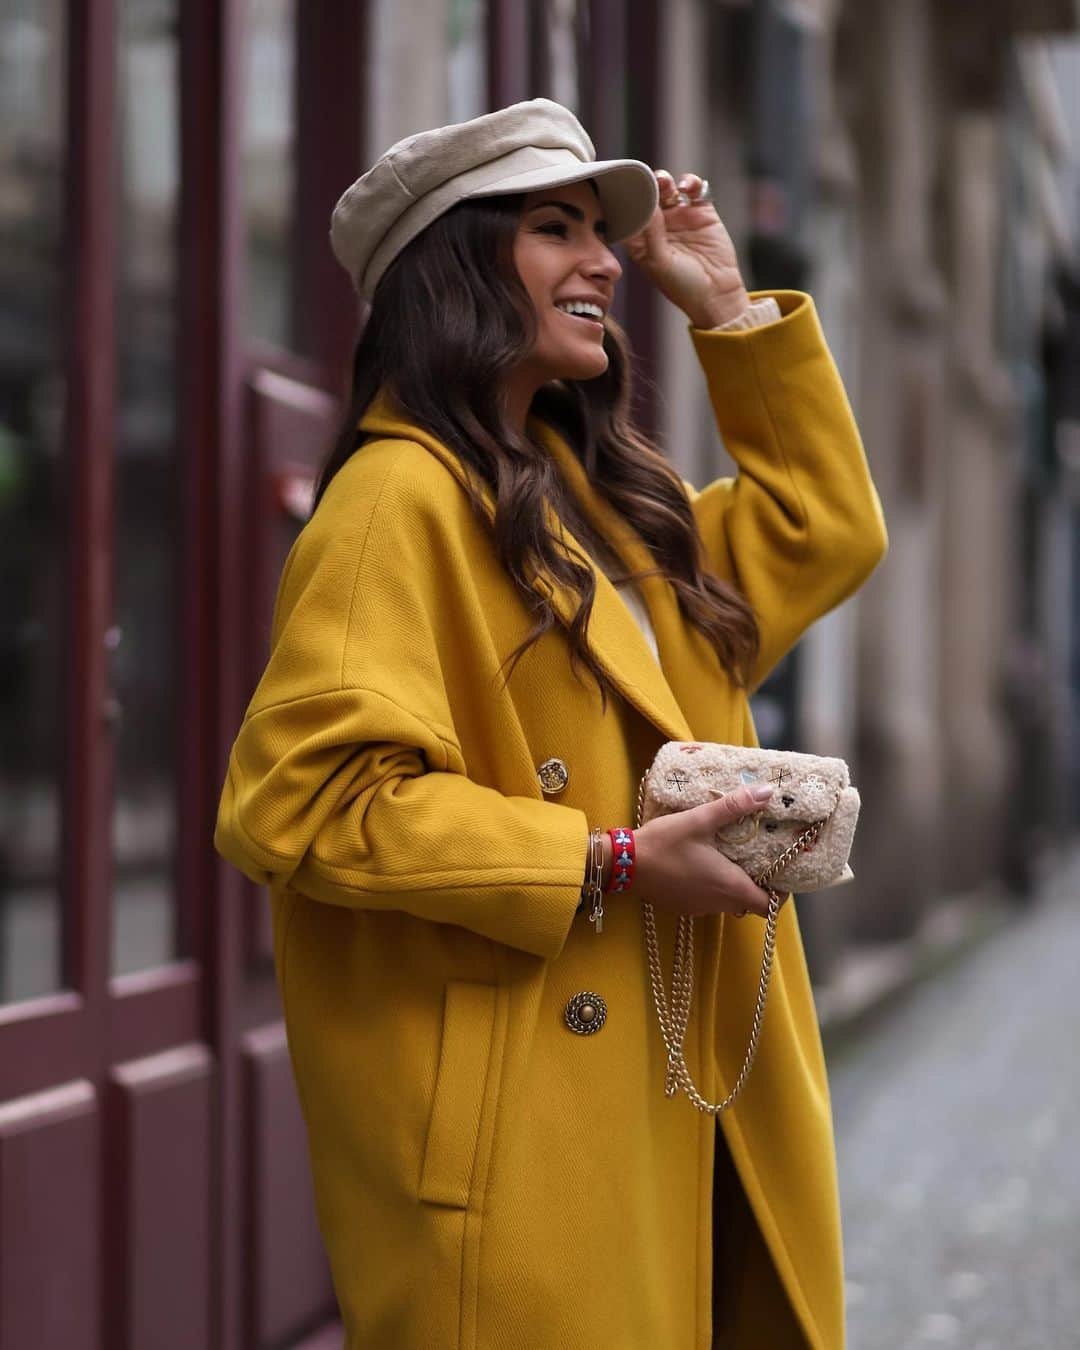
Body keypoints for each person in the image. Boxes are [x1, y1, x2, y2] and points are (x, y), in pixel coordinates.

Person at [214, 98, 887, 1349]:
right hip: (528, 1128)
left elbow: (824, 530)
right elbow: (304, 804)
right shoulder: (394, 500)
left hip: (677, 1097)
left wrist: (727, 313)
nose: (601, 264)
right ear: (457, 266)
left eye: (600, 232)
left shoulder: (597, 499)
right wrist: (613, 861)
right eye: (555, 229)